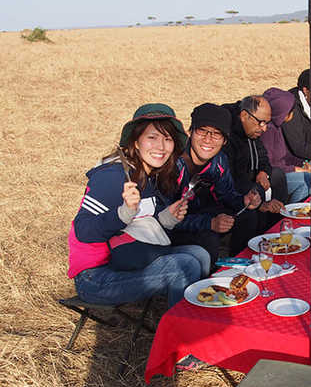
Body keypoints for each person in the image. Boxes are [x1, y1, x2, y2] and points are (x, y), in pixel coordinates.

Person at [67, 103, 211, 308]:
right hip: (96, 277)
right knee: (184, 265)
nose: (161, 147)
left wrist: (166, 219)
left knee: (200, 255)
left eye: (167, 139)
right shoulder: (112, 176)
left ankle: (187, 316)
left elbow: (141, 227)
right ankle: (180, 334)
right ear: (135, 141)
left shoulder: (149, 174)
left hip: (129, 258)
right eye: (152, 138)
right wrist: (122, 213)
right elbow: (84, 231)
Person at [169, 103, 262, 264]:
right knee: (208, 238)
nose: (208, 139)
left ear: (225, 140)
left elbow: (226, 194)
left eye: (217, 134)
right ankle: (210, 281)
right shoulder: (173, 165)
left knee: (248, 215)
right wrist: (210, 223)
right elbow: (167, 218)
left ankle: (240, 265)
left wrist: (243, 201)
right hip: (175, 226)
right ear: (190, 132)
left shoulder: (219, 160)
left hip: (204, 213)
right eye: (202, 131)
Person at [221, 95, 286, 212]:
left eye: (267, 123)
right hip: (234, 190)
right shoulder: (227, 137)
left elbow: (263, 156)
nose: (264, 128)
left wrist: (263, 172)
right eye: (261, 122)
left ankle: (280, 223)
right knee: (255, 191)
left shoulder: (252, 132)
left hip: (251, 179)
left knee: (277, 175)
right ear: (244, 116)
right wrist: (262, 204)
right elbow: (231, 179)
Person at [261, 87, 311, 203]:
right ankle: (293, 213)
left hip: (284, 171)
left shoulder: (278, 127)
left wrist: (303, 164)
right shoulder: (267, 131)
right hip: (273, 177)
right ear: (281, 113)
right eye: (290, 112)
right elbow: (270, 164)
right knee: (306, 180)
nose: (293, 114)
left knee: (310, 175)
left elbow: (286, 156)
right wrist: (296, 169)